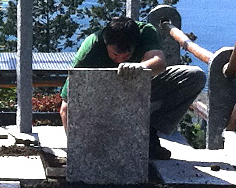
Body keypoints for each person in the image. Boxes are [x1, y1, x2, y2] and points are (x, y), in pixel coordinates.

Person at [59, 16, 206, 160]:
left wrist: (139, 67)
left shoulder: (145, 32)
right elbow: (65, 107)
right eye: (115, 54)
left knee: (194, 76)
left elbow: (159, 63)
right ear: (105, 43)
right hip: (102, 98)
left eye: (126, 55)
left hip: (137, 89)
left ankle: (149, 134)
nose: (120, 60)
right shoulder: (90, 48)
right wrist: (77, 149)